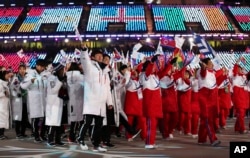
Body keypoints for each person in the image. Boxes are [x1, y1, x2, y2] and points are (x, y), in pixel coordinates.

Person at [77, 47, 113, 152]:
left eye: (102, 56)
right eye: (98, 56)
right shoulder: (90, 67)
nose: (101, 57)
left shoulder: (106, 71)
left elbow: (107, 89)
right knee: (87, 122)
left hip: (101, 103)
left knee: (99, 125)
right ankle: (81, 139)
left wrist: (109, 102)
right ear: (93, 57)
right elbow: (84, 60)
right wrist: (84, 52)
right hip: (91, 101)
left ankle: (96, 144)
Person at [21, 59, 48, 142]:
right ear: (37, 65)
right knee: (35, 119)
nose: (42, 68)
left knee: (44, 118)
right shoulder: (30, 73)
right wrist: (30, 81)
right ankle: (36, 135)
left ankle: (43, 135)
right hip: (34, 100)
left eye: (43, 67)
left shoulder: (45, 74)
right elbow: (23, 86)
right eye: (41, 66)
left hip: (43, 99)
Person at [197, 58, 222, 146]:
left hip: (211, 98)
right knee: (207, 119)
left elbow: (216, 83)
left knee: (205, 120)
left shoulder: (212, 73)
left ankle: (201, 139)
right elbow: (203, 74)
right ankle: (213, 139)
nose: (212, 64)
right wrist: (203, 68)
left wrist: (224, 75)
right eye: (210, 63)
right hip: (204, 97)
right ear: (205, 64)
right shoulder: (201, 71)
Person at [140, 56, 163, 149]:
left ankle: (151, 142)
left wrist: (169, 64)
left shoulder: (154, 76)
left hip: (156, 104)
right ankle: (148, 143)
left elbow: (163, 72)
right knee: (150, 124)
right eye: (152, 67)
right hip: (150, 104)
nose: (154, 68)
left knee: (153, 125)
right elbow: (148, 71)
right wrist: (152, 63)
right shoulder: (144, 75)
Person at [46, 63, 65, 147]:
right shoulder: (51, 78)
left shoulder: (59, 78)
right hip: (52, 103)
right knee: (52, 122)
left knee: (58, 123)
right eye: (61, 70)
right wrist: (60, 82)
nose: (62, 72)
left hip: (59, 102)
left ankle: (58, 140)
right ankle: (50, 140)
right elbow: (53, 90)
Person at [9, 62, 28, 139]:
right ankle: (18, 133)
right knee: (18, 118)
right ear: (18, 70)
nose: (22, 70)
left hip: (26, 100)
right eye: (21, 69)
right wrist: (16, 94)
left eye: (24, 69)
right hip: (18, 100)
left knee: (24, 117)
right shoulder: (16, 78)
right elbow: (12, 89)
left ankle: (23, 132)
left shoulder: (27, 77)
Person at [66, 62, 84, 143]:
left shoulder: (67, 76)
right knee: (80, 120)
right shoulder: (81, 76)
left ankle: (72, 137)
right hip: (80, 100)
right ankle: (76, 136)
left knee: (74, 120)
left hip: (72, 99)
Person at [232, 58, 248, 134]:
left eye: (240, 69)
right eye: (238, 68)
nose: (239, 70)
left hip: (244, 96)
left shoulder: (244, 76)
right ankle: (242, 128)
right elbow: (235, 70)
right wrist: (238, 61)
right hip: (238, 96)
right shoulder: (235, 75)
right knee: (241, 113)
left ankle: (237, 128)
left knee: (242, 114)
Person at [0, 70, 12, 140]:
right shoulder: (0, 83)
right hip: (1, 105)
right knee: (1, 120)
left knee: (4, 120)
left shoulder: (6, 84)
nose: (8, 75)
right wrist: (4, 93)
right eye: (7, 74)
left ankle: (2, 134)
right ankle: (0, 134)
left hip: (5, 105)